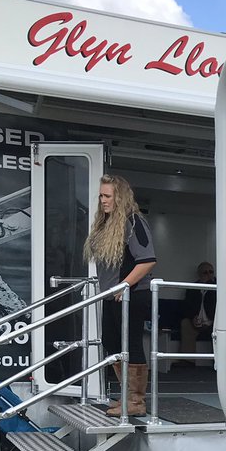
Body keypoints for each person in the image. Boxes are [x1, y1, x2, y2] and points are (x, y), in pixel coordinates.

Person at [84, 175, 156, 416]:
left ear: (120, 197)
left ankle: (136, 401)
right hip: (112, 294)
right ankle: (127, 397)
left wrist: (123, 285)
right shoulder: (106, 225)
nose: (102, 201)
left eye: (107, 196)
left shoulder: (133, 221)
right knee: (112, 343)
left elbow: (147, 260)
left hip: (131, 293)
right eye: (101, 196)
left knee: (130, 343)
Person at [178, 261, 216, 363]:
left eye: (211, 272)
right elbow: (186, 307)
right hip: (196, 322)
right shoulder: (192, 288)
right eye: (205, 272)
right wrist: (192, 317)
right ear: (199, 274)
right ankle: (188, 361)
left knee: (221, 328)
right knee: (185, 323)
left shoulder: (219, 287)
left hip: (213, 321)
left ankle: (219, 363)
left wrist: (211, 284)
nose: (209, 275)